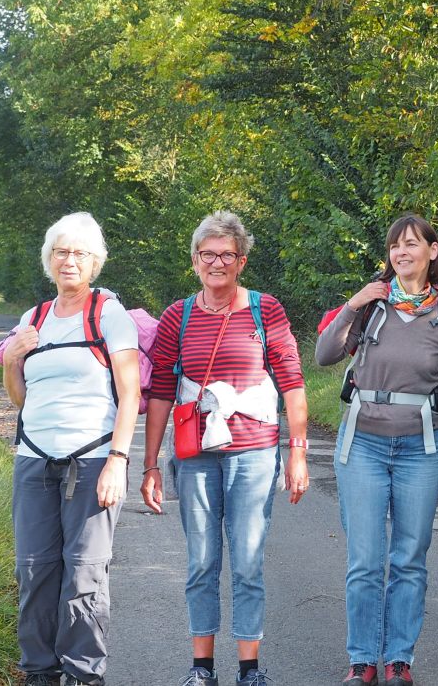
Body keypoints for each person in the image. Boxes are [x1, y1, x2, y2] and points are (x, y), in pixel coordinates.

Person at [142, 211, 310, 686]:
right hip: (195, 455)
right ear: (195, 260)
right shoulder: (179, 314)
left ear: (241, 261)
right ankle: (202, 669)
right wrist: (150, 464)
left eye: (227, 255)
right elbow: (159, 392)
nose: (217, 262)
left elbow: (293, 383)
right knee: (201, 560)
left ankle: (250, 670)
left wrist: (297, 451)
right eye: (208, 254)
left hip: (254, 452)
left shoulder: (265, 310)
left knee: (249, 560)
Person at [315, 214, 438, 686]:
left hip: (421, 447)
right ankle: (363, 660)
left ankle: (399, 659)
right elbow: (324, 355)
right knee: (365, 559)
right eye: (394, 247)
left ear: (432, 251)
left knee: (409, 557)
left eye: (411, 245)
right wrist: (353, 303)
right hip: (362, 443)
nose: (401, 253)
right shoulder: (371, 305)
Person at [2, 212, 141, 686]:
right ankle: (39, 671)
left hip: (93, 458)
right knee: (34, 570)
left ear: (95, 261)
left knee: (84, 573)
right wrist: (13, 359)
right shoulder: (33, 318)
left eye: (80, 252)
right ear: (49, 259)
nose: (69, 260)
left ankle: (84, 673)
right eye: (61, 251)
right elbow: (22, 397)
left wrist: (118, 462)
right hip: (34, 459)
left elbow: (131, 393)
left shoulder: (108, 314)